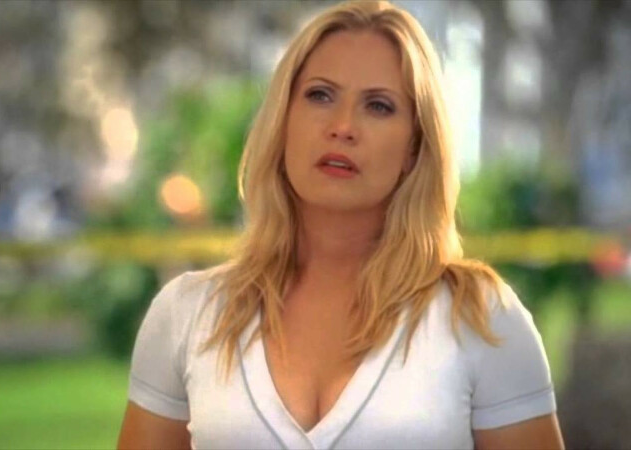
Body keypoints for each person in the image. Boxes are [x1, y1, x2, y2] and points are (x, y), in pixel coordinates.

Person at [117, 1, 564, 448]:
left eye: (378, 106)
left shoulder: (481, 320)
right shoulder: (187, 315)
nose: (343, 126)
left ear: (414, 147)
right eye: (320, 95)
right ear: (283, 119)